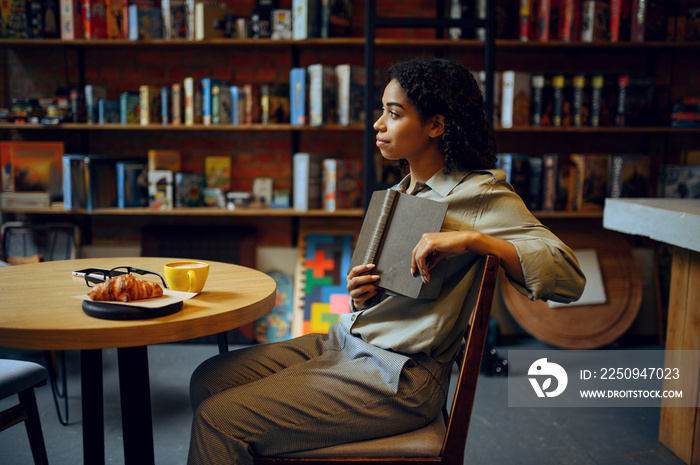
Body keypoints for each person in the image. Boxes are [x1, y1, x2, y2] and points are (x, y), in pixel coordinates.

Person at [187, 57, 586, 465]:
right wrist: (362, 296)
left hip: (399, 376)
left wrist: (475, 240)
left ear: (436, 125)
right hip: (346, 343)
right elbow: (391, 297)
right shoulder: (400, 191)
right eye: (382, 111)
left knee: (219, 419)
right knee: (208, 379)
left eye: (393, 114)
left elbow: (570, 277)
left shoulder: (481, 195)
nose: (378, 123)